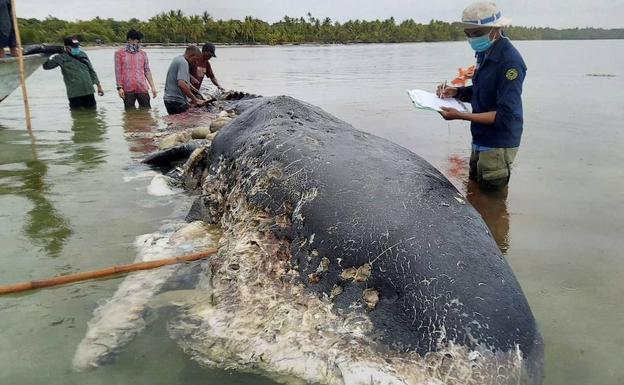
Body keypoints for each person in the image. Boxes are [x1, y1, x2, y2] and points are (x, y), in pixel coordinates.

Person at [437, 1, 526, 190]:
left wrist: (459, 115)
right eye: (467, 34)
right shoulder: (484, 52)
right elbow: (481, 91)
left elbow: (504, 116)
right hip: (480, 137)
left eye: (476, 34)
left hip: (498, 143)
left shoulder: (510, 63)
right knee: (475, 192)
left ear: (495, 29)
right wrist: (457, 92)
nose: (471, 39)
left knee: (493, 203)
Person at [43, 36, 104, 110]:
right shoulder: (60, 57)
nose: (77, 48)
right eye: (74, 47)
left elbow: (91, 70)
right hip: (74, 94)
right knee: (77, 115)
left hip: (88, 90)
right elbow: (46, 66)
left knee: (92, 114)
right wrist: (47, 53)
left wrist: (99, 86)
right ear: (67, 47)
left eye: (77, 46)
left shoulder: (83, 54)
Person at [114, 29, 157, 109]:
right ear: (129, 40)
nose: (138, 44)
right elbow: (118, 72)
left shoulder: (143, 54)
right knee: (129, 114)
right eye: (137, 41)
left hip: (142, 87)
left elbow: (147, 71)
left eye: (139, 42)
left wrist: (153, 87)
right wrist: (119, 88)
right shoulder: (119, 53)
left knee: (146, 111)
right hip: (127, 89)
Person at [163, 45, 206, 115]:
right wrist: (195, 100)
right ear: (191, 55)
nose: (196, 62)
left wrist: (197, 93)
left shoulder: (177, 59)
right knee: (184, 124)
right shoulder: (184, 63)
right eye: (196, 59)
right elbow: (181, 84)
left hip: (169, 100)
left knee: (174, 124)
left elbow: (186, 83)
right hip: (176, 101)